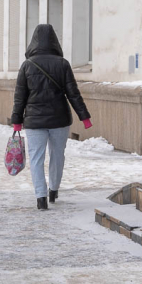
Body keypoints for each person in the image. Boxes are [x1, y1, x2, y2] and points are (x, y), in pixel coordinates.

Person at [11, 24, 92, 210]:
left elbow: (19, 96)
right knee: (57, 156)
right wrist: (84, 116)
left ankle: (41, 197)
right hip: (59, 119)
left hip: (34, 121)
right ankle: (54, 189)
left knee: (36, 158)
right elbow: (73, 93)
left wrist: (16, 121)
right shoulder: (62, 64)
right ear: (55, 41)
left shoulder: (27, 65)